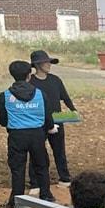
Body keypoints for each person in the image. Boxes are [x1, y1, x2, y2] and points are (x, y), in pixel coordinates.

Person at [0, 60, 52, 208]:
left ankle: (16, 201)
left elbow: (1, 120)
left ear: (12, 75)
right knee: (41, 166)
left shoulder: (5, 96)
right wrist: (51, 127)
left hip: (17, 136)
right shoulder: (40, 94)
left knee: (17, 169)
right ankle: (46, 197)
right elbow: (48, 117)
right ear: (29, 75)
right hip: (37, 135)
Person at [28, 49, 75, 188]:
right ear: (37, 65)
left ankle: (65, 178)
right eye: (45, 62)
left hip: (57, 119)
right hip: (39, 122)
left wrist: (74, 110)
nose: (49, 64)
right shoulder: (31, 82)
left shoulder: (55, 80)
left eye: (49, 62)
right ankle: (35, 182)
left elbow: (65, 97)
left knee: (60, 150)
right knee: (37, 151)